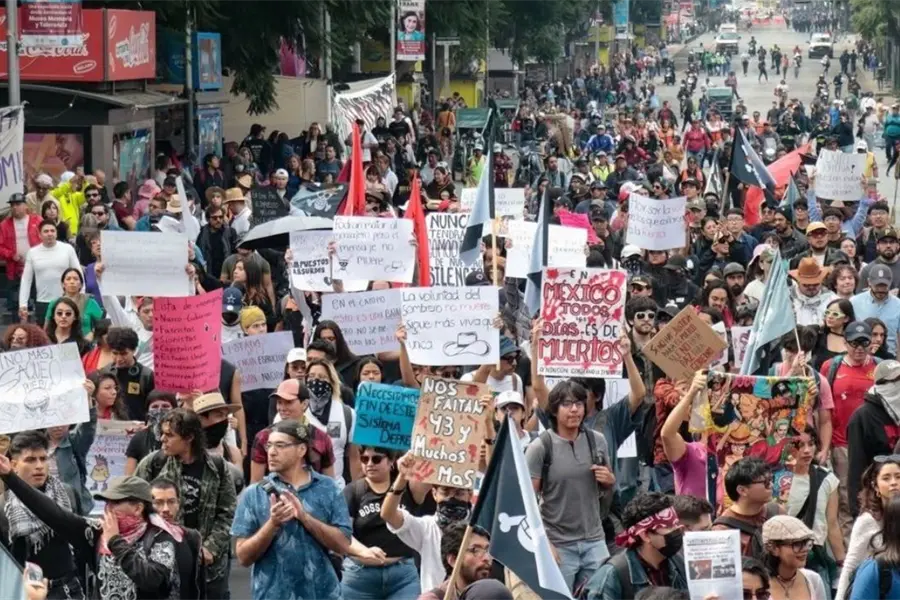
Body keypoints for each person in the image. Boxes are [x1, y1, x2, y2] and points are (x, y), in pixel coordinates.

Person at [0, 460, 189, 600]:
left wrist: (116, 542)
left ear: (138, 508)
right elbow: (54, 514)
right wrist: (10, 477)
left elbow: (151, 580)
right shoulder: (97, 532)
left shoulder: (160, 536)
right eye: (106, 503)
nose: (108, 509)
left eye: (115, 503)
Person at [232, 419, 352, 598]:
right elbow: (243, 557)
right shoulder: (254, 493)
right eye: (269, 445)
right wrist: (272, 524)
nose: (272, 452)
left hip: (322, 594)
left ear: (301, 450)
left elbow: (343, 544)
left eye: (280, 445)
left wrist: (305, 518)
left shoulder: (328, 488)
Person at [134, 407, 236, 599]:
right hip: (164, 564)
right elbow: (136, 508)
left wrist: (211, 548)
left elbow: (227, 513)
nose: (162, 439)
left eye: (169, 435)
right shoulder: (153, 464)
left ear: (189, 438)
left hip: (209, 570)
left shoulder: (217, 467)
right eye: (162, 434)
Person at [526, 380, 615, 591]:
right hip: (558, 543)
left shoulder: (597, 440)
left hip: (594, 540)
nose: (574, 409)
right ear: (554, 410)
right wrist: (546, 544)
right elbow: (528, 502)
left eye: (579, 403)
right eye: (566, 404)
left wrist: (609, 480)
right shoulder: (540, 447)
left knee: (600, 594)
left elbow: (609, 483)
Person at [0, 431, 87, 600]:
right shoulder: (3, 507)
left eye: (43, 458)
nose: (39, 466)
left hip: (70, 588)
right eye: (30, 460)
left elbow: (81, 541)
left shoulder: (67, 494)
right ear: (13, 464)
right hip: (25, 592)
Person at [381, 451, 474, 591]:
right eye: (445, 492)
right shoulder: (426, 528)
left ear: (470, 495)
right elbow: (388, 514)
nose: (451, 499)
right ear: (434, 494)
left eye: (459, 493)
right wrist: (402, 477)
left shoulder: (479, 528)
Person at [342, 447, 421, 600]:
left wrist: (413, 458)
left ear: (391, 461)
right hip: (360, 575)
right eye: (365, 459)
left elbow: (428, 476)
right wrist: (364, 551)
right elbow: (344, 534)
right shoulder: (353, 491)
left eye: (376, 459)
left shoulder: (409, 488)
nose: (370, 464)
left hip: (402, 575)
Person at [584, 492, 687, 600]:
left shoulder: (678, 562)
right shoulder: (612, 577)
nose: (678, 529)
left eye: (676, 523)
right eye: (669, 526)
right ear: (645, 535)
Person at [836, 457, 900, 600]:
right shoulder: (868, 521)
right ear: (876, 486)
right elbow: (850, 565)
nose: (894, 483)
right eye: (886, 478)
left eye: (898, 477)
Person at [251, 379, 336, 482]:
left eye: (288, 402)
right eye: (279, 402)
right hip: (274, 497)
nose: (282, 408)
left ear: (304, 404)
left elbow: (330, 484)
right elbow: (255, 485)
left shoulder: (322, 438)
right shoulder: (263, 437)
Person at [848, 360, 900, 510]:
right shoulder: (862, 418)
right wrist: (859, 510)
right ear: (881, 385)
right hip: (877, 500)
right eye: (895, 381)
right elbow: (856, 468)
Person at [712, 456, 781, 559]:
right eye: (765, 482)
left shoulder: (777, 512)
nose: (771, 485)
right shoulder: (722, 531)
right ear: (742, 490)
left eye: (772, 479)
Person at [18, 220, 81, 326]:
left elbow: (78, 274)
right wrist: (22, 304)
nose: (50, 234)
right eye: (46, 231)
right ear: (40, 234)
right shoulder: (33, 252)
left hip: (67, 299)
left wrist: (80, 296)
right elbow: (26, 280)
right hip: (43, 301)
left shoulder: (67, 249)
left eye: (52, 231)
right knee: (46, 337)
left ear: (56, 233)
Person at [416, 522, 493, 600]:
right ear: (453, 560)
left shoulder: (496, 592)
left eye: (487, 550)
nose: (486, 558)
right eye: (475, 550)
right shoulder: (434, 598)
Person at [761, 516, 829, 600]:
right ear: (774, 548)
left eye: (807, 543)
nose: (805, 549)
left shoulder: (813, 579)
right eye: (797, 544)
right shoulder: (758, 585)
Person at [0, 193, 41, 316]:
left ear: (25, 206)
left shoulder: (37, 220)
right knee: (15, 303)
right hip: (14, 268)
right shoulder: (4, 225)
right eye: (12, 205)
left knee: (38, 299)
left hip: (37, 267)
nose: (14, 208)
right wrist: (11, 255)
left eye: (18, 204)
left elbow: (45, 239)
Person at [45, 268, 103, 340]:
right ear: (63, 284)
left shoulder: (89, 301)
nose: (72, 282)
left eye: (75, 279)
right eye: (68, 279)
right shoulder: (54, 303)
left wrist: (92, 334)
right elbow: (47, 328)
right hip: (59, 343)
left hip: (85, 343)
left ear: (81, 285)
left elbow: (103, 323)